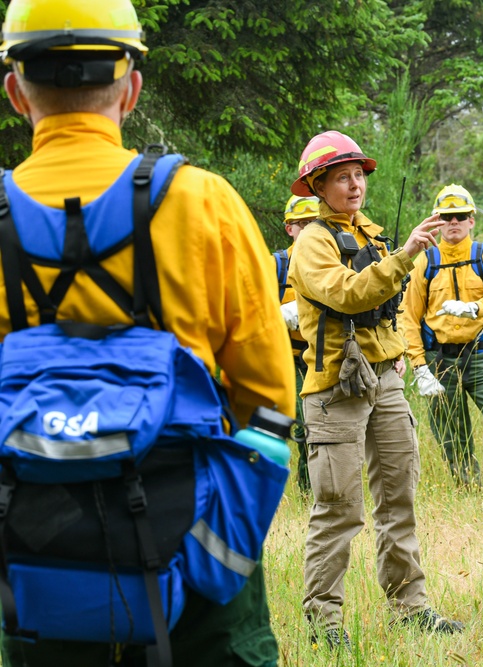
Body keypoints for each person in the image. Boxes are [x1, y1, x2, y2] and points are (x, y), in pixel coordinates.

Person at [0, 0, 296, 664]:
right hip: (193, 544)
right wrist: (226, 535)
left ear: (16, 91)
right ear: (131, 86)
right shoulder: (202, 200)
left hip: (36, 558)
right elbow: (271, 395)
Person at [287, 130, 463, 648]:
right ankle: (325, 625)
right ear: (319, 185)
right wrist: (407, 253)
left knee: (398, 498)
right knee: (339, 506)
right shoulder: (313, 241)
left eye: (359, 174)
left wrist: (402, 361)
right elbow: (347, 293)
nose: (355, 183)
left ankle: (411, 609)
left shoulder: (373, 235)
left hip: (385, 381)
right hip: (336, 387)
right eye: (342, 176)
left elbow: (387, 308)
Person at [401, 184, 483, 487]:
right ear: (437, 221)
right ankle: (468, 490)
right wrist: (419, 366)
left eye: (460, 216)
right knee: (451, 434)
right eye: (447, 217)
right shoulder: (425, 262)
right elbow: (407, 315)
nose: (453, 222)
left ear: (472, 219)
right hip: (440, 361)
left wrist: (475, 308)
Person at [275, 194, 321, 492]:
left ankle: (309, 493)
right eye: (299, 224)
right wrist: (275, 315)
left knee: (313, 428)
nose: (305, 229)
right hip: (282, 358)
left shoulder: (331, 263)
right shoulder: (275, 265)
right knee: (277, 423)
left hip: (320, 358)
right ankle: (267, 490)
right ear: (289, 228)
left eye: (312, 223)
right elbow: (248, 313)